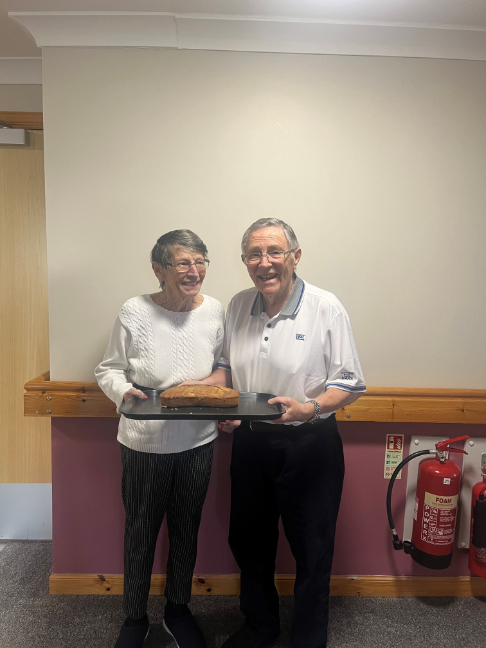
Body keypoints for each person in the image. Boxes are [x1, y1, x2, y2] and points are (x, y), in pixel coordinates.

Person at [198, 218, 366, 648]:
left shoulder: (326, 306)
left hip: (309, 443)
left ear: (295, 256)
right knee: (249, 541)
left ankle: (309, 638)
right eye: (254, 254)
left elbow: (347, 382)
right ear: (244, 262)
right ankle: (260, 627)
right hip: (250, 443)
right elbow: (226, 370)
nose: (265, 262)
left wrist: (308, 408)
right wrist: (195, 397)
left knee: (312, 547)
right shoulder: (237, 305)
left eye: (274, 252)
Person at [95, 230, 224, 648]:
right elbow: (109, 369)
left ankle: (178, 609)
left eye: (201, 261)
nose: (194, 271)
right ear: (159, 270)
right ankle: (134, 617)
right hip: (144, 442)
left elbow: (223, 366)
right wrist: (122, 392)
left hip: (199, 441)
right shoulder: (134, 310)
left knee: (187, 528)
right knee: (141, 530)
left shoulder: (215, 310)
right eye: (183, 263)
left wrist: (206, 388)